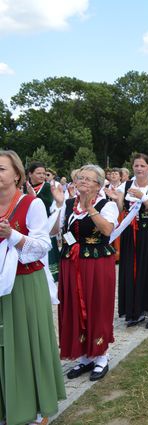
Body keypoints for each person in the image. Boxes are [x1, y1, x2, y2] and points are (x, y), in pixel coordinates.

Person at [0, 150, 66, 425]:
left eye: (1, 169)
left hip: (25, 283)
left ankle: (36, 410)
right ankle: (7, 407)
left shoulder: (31, 204)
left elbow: (42, 247)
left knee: (28, 344)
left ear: (16, 174)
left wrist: (12, 235)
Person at [55, 164, 118, 381]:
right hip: (72, 262)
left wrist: (90, 207)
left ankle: (101, 356)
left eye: (88, 179)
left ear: (98, 184)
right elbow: (56, 230)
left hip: (97, 263)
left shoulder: (107, 205)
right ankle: (84, 356)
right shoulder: (69, 205)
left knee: (96, 304)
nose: (83, 181)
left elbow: (108, 230)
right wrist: (58, 204)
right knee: (74, 305)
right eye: (80, 177)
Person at [105, 153, 148, 329]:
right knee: (131, 270)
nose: (139, 169)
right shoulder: (125, 185)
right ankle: (136, 309)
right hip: (130, 234)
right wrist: (117, 200)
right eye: (136, 165)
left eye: (142, 166)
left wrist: (142, 196)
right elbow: (121, 210)